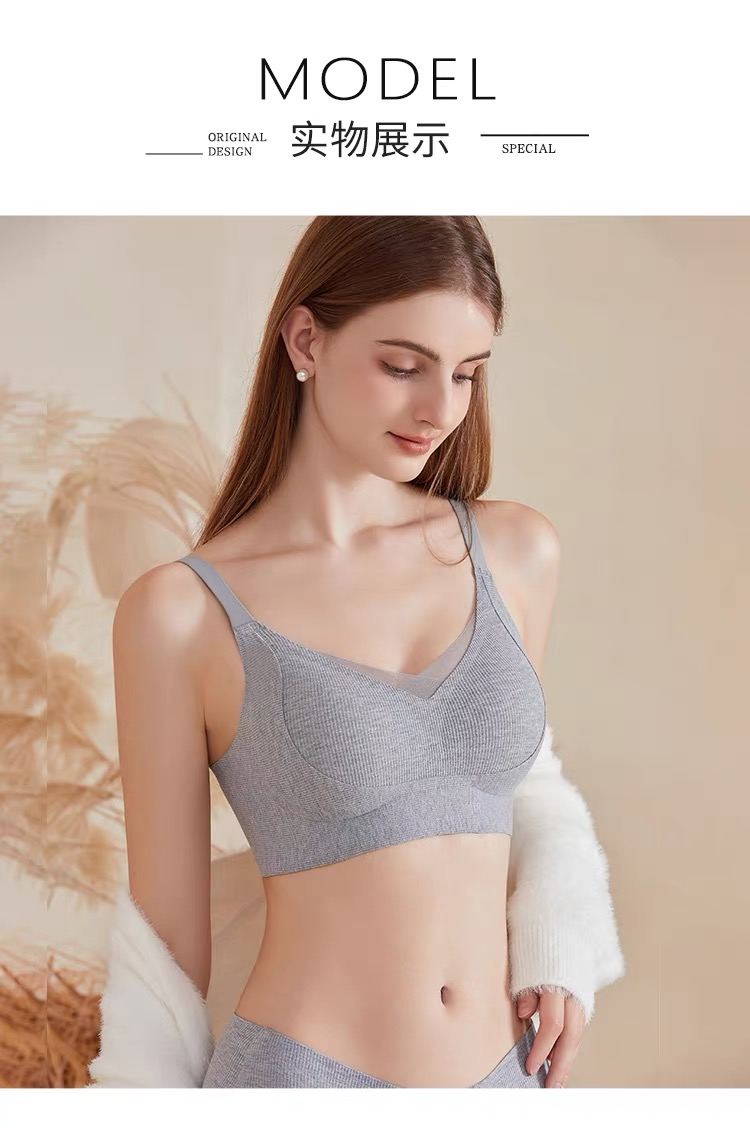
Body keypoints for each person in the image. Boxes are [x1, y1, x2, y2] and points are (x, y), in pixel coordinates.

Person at [104, 216, 625, 1089]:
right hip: (302, 1078)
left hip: (507, 1074)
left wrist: (558, 937)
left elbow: (525, 780)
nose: (441, 410)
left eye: (466, 373)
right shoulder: (181, 614)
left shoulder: (516, 552)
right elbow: (161, 960)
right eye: (403, 366)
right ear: (306, 340)